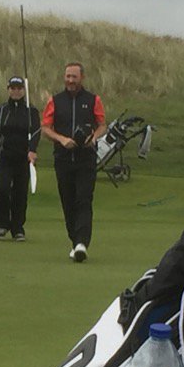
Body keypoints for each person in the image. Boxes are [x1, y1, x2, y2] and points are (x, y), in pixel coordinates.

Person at [40, 62, 106, 262]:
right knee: (68, 201)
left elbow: (102, 125)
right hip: (63, 159)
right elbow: (45, 128)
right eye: (67, 76)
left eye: (74, 77)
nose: (70, 80)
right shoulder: (55, 101)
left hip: (86, 159)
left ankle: (82, 243)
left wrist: (93, 138)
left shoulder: (93, 99)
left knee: (84, 199)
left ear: (81, 78)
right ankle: (75, 240)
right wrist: (61, 140)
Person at [0, 76, 40, 241]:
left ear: (24, 90)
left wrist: (32, 150)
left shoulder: (31, 111)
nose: (16, 91)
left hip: (23, 158)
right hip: (4, 157)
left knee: (20, 193)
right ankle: (2, 224)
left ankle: (17, 227)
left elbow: (36, 132)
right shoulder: (1, 111)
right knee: (1, 189)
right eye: (13, 88)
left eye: (19, 88)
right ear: (8, 89)